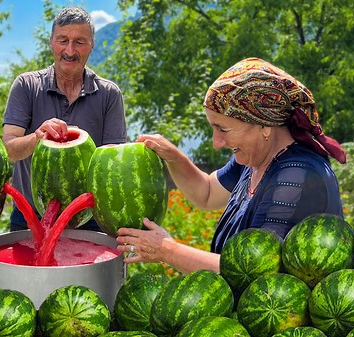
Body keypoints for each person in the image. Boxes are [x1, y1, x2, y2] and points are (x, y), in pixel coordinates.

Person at [116, 57, 346, 274]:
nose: (217, 143)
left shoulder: (296, 177)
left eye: (223, 129)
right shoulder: (254, 160)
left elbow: (254, 272)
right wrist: (174, 157)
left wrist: (166, 250)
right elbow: (206, 193)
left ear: (264, 126)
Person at [2, 6, 127, 232]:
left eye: (79, 41)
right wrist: (37, 138)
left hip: (89, 220)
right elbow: (8, 149)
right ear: (51, 42)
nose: (70, 50)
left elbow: (113, 165)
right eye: (63, 40)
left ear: (92, 45)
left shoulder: (109, 94)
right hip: (29, 218)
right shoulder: (26, 85)